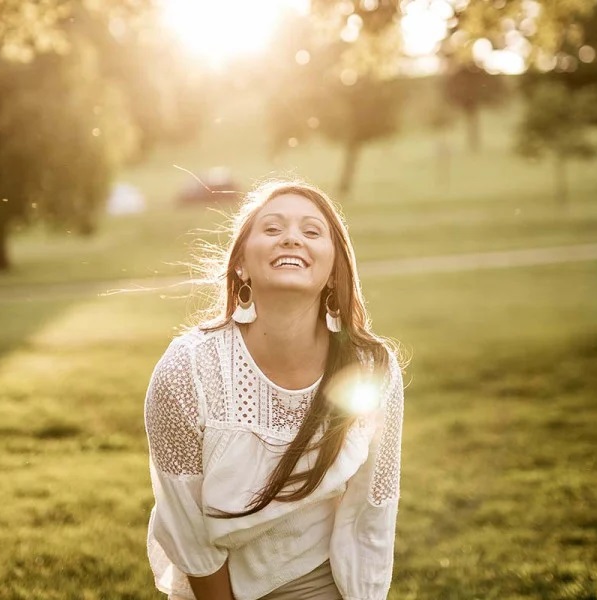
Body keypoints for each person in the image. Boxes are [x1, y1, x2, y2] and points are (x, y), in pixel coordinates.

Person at [144, 180, 405, 600]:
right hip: (211, 586)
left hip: (319, 580)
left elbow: (372, 510)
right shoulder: (187, 369)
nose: (291, 237)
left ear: (333, 271)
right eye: (272, 228)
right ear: (242, 264)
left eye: (312, 231)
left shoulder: (371, 367)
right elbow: (184, 522)